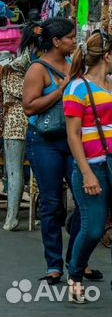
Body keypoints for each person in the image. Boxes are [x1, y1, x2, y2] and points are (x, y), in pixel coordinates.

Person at [21, 17, 97, 285]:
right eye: (69, 37)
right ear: (55, 41)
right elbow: (29, 107)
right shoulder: (37, 70)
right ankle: (54, 265)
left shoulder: (73, 66)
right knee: (52, 204)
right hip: (44, 142)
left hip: (71, 140)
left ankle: (77, 261)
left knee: (83, 202)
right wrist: (61, 89)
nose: (74, 41)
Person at [63, 31, 112, 303]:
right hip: (93, 166)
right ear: (107, 56)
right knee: (93, 228)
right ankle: (76, 273)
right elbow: (73, 135)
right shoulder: (77, 88)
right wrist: (86, 172)